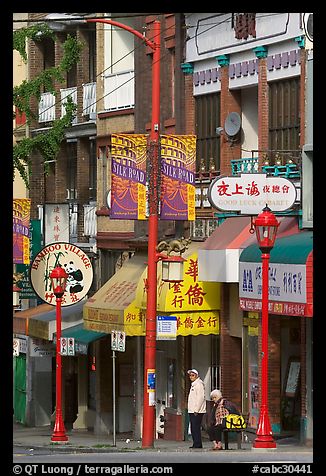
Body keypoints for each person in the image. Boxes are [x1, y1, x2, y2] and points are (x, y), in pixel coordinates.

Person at [187, 369, 206, 448]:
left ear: (197, 376)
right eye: (190, 375)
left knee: (196, 427)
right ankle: (195, 443)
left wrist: (196, 410)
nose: (191, 377)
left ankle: (198, 444)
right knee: (193, 427)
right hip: (192, 410)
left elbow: (200, 398)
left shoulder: (199, 384)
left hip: (197, 411)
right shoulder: (193, 384)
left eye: (193, 375)